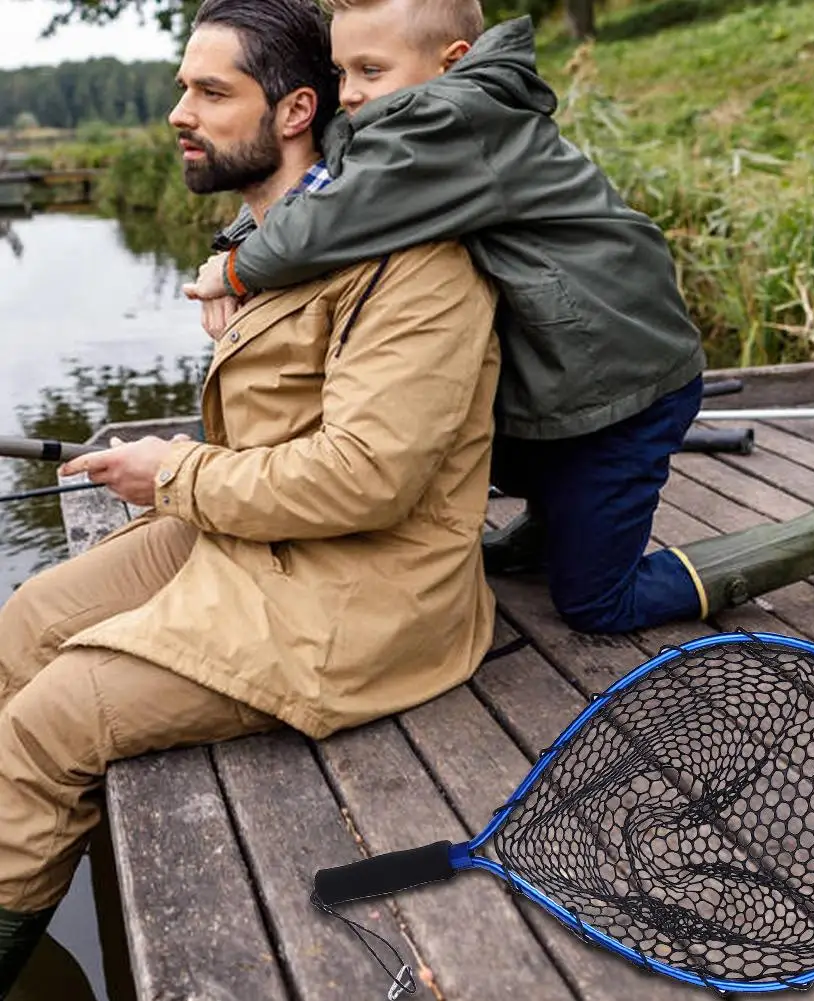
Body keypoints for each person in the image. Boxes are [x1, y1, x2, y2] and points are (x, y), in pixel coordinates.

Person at [0, 0, 500, 992]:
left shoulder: (418, 263)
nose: (178, 111)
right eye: (184, 86)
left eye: (210, 91)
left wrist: (172, 471)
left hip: (364, 590)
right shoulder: (280, 236)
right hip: (255, 533)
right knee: (25, 621)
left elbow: (369, 474)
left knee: (55, 718)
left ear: (293, 110)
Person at [183, 0, 814, 635]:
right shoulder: (412, 117)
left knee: (597, 604)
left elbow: (337, 215)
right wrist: (239, 240)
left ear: (451, 62)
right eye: (342, 74)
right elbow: (329, 181)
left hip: (624, 388)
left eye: (370, 69)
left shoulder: (450, 120)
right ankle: (551, 526)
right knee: (453, 431)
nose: (352, 95)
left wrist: (236, 270)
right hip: (564, 373)